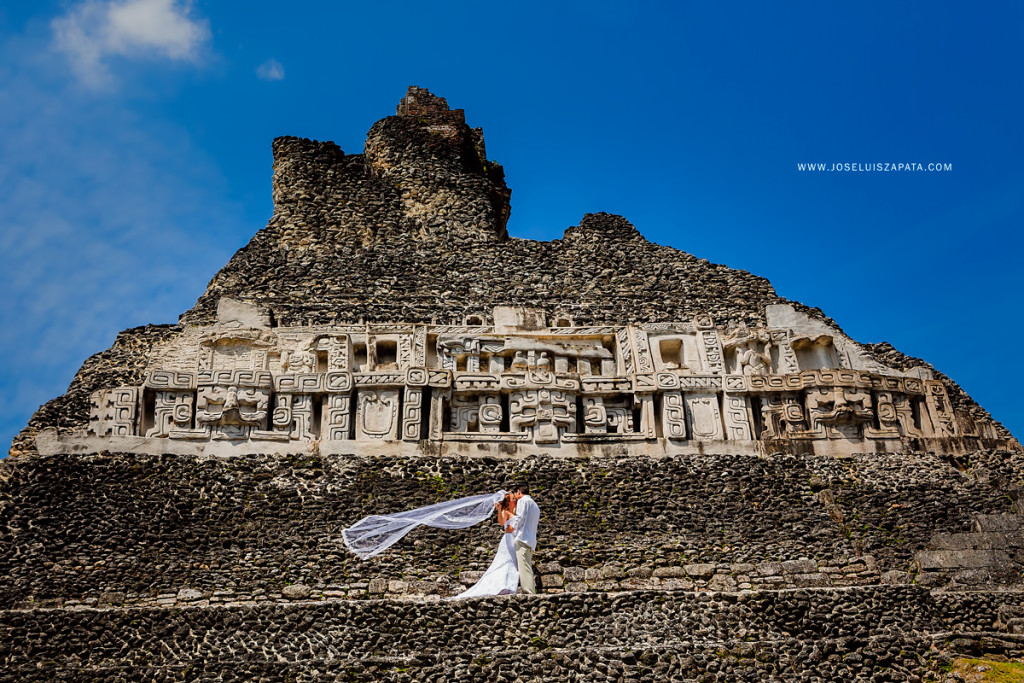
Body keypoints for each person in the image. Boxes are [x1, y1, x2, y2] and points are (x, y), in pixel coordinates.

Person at [451, 492, 520, 599]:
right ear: (508, 501)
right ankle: (503, 585)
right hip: (508, 539)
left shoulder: (516, 510)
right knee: (506, 561)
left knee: (512, 562)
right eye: (512, 498)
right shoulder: (505, 511)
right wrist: (499, 509)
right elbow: (501, 523)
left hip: (515, 539)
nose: (514, 499)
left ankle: (508, 585)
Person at [504, 484, 540, 594]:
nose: (515, 496)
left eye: (515, 493)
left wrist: (512, 528)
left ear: (519, 492)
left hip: (523, 538)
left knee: (524, 567)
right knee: (527, 565)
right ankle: (531, 590)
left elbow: (520, 518)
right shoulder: (535, 505)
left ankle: (529, 592)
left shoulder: (523, 501)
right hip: (531, 539)